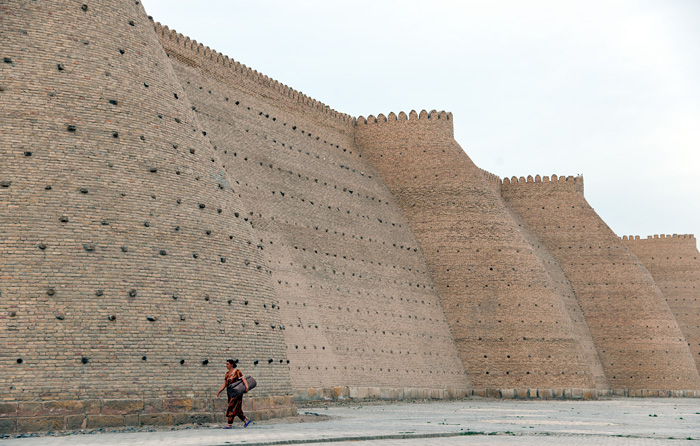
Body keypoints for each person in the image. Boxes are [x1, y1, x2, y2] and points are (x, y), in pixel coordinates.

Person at [216, 359, 251, 428]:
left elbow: (243, 379)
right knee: (236, 408)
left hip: (237, 393)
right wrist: (219, 391)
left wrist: (247, 388)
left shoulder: (237, 372)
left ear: (232, 365)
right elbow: (225, 384)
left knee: (231, 407)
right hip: (230, 393)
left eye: (227, 364)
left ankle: (229, 424)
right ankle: (245, 419)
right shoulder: (227, 374)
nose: (226, 365)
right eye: (226, 364)